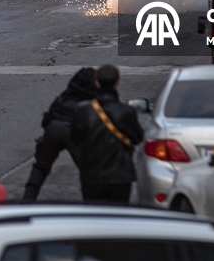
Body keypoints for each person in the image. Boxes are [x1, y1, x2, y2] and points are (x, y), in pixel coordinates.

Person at [71, 65, 143, 204]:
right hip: (120, 176)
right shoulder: (127, 112)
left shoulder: (83, 111)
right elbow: (137, 137)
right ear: (117, 82)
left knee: (94, 217)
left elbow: (75, 139)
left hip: (91, 175)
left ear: (97, 83)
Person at [22, 67, 97, 202]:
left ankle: (27, 200)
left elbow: (48, 117)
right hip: (75, 132)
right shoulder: (93, 101)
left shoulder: (65, 95)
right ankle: (93, 203)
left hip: (54, 128)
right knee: (89, 172)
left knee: (41, 167)